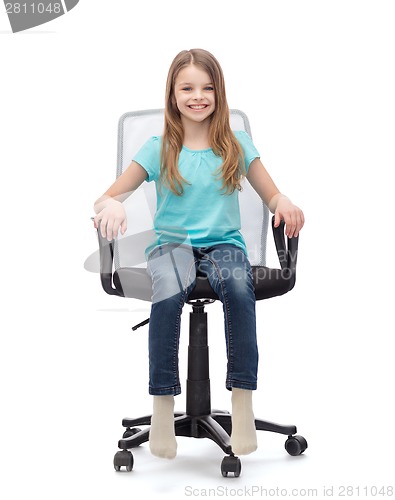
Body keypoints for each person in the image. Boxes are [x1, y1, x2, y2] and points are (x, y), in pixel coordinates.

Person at [93, 48, 304, 460]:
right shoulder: (158, 147)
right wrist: (113, 205)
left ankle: (242, 402)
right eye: (187, 87)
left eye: (207, 88)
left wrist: (285, 202)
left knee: (240, 289)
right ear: (172, 93)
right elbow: (105, 198)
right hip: (172, 246)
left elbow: (272, 193)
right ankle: (162, 405)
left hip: (225, 244)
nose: (198, 96)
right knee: (169, 290)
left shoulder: (237, 143)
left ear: (218, 93)